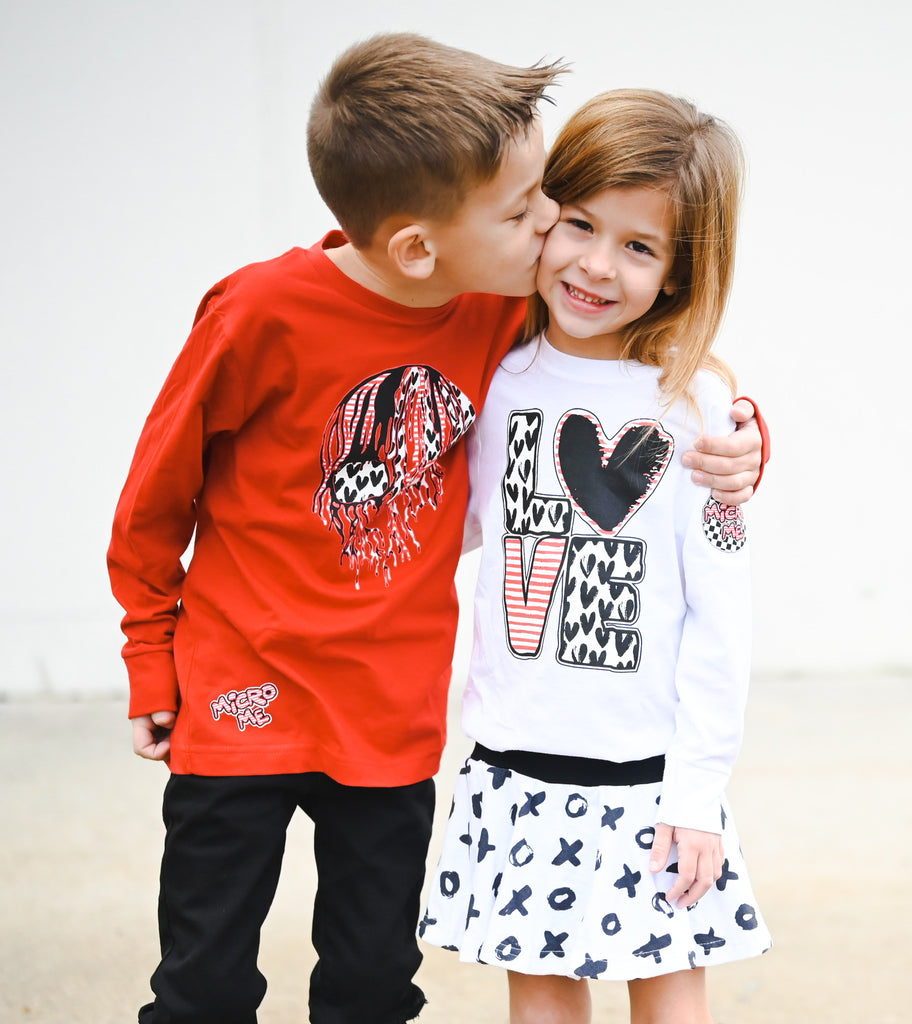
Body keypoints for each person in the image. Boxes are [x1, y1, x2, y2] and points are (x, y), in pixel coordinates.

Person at [108, 33, 765, 1024]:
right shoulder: (276, 315)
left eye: (550, 200)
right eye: (536, 210)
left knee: (372, 985)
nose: (553, 234)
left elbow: (650, 391)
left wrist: (744, 443)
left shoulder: (502, 323)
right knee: (205, 983)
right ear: (422, 244)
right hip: (245, 684)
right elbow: (156, 497)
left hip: (394, 713)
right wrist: (150, 654)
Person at [420, 88, 770, 1024]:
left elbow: (721, 618)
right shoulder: (490, 378)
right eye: (580, 224)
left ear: (682, 272)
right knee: (540, 999)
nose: (597, 265)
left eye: (640, 246)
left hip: (650, 776)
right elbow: (451, 530)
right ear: (542, 215)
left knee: (669, 998)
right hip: (516, 760)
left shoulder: (697, 411)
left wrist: (698, 788)